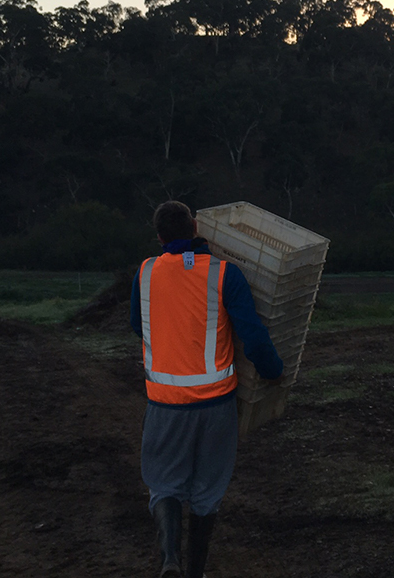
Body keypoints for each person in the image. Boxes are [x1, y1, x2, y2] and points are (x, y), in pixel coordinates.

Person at [130, 200, 283, 578]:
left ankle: (170, 560)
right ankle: (195, 573)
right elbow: (254, 336)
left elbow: (139, 325)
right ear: (196, 228)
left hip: (164, 405)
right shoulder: (224, 274)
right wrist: (273, 372)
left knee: (164, 484)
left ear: (160, 236)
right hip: (216, 407)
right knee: (206, 493)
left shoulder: (146, 273)